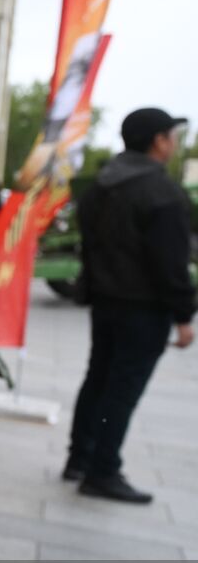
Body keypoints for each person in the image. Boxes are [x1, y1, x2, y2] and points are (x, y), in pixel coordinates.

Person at [64, 107, 194, 503]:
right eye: (171, 136)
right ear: (158, 140)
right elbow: (171, 263)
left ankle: (79, 459)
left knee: (98, 381)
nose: (173, 143)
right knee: (121, 391)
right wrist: (184, 315)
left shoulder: (101, 185)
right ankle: (103, 471)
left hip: (105, 302)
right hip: (143, 309)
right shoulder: (161, 192)